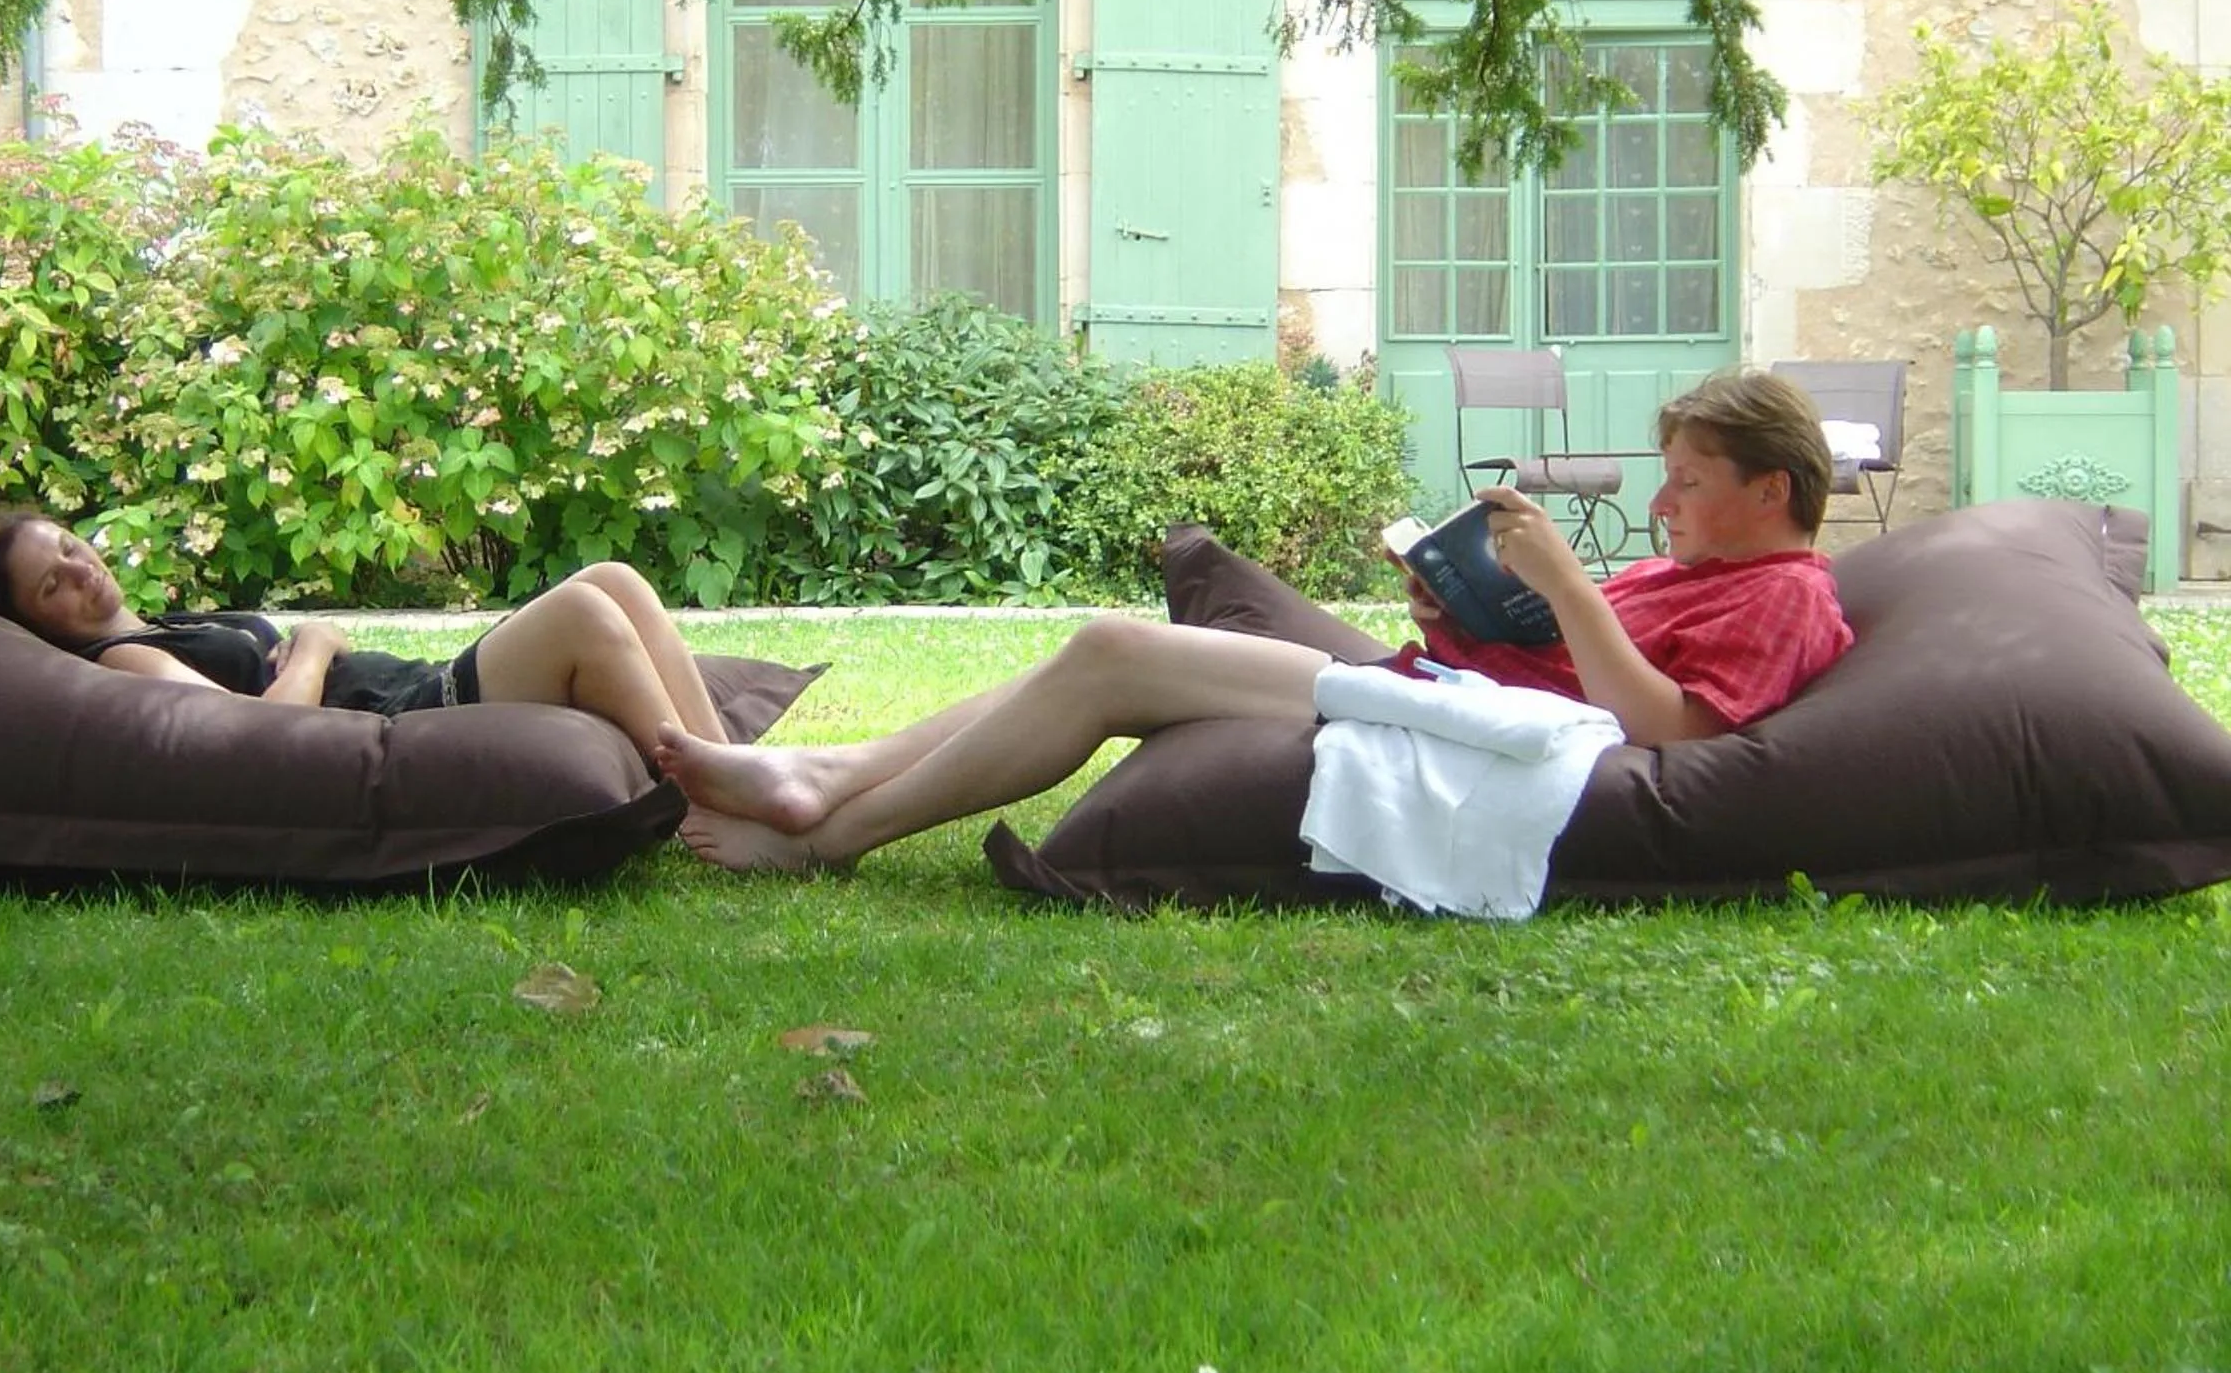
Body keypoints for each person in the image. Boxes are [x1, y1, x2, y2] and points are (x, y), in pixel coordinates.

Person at [656, 368, 1856, 870]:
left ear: (1773, 492)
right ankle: (824, 771)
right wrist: (1463, 603)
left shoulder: (1785, 593)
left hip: (1486, 732)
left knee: (1113, 652)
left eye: (1688, 485)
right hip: (1460, 690)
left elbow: (1678, 738)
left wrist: (1572, 590)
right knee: (1101, 653)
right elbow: (1573, 657)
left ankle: (826, 832)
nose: (1662, 504)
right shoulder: (1703, 570)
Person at [0, 507, 727, 760]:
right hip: (406, 714)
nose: (80, 571)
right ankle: (707, 796)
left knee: (615, 580)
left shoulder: (161, 623)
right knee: (588, 610)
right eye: (51, 584)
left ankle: (737, 773)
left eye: (69, 547)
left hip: (413, 685)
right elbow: (258, 735)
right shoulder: (124, 659)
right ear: (33, 619)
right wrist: (313, 644)